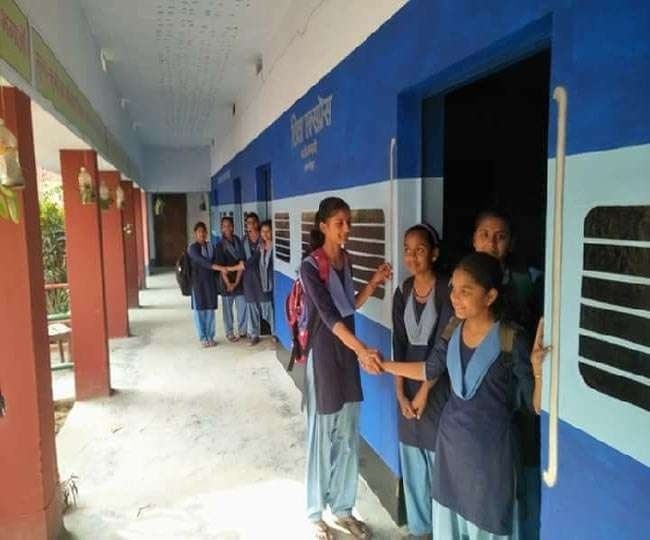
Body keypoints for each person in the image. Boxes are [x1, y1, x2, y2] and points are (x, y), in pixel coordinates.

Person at [379, 252, 547, 540]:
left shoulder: (511, 339)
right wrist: (383, 365)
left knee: (487, 526)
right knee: (449, 527)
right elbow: (429, 369)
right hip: (451, 449)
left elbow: (535, 407)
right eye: (453, 289)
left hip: (491, 458)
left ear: (490, 296)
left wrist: (538, 372)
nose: (455, 297)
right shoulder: (454, 328)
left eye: (465, 291)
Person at [301, 197, 391, 540]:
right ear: (323, 226)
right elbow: (329, 316)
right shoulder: (310, 266)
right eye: (339, 223)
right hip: (325, 356)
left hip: (347, 356)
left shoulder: (346, 260)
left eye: (348, 222)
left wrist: (374, 282)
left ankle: (342, 507)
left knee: (348, 434)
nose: (346, 229)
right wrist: (363, 350)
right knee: (321, 436)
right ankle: (315, 513)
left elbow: (348, 305)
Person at [472, 209, 542, 539]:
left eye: (500, 237)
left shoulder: (529, 281)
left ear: (511, 243)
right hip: (481, 396)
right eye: (485, 235)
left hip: (521, 389)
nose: (492, 243)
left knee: (524, 470)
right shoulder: (462, 283)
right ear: (474, 240)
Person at [392, 223, 453, 540]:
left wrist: (425, 392)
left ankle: (441, 531)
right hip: (408, 388)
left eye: (420, 250)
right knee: (412, 459)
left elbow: (442, 351)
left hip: (438, 389)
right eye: (407, 250)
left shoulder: (447, 291)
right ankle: (420, 530)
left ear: (434, 253)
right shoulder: (402, 291)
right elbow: (398, 344)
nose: (412, 257)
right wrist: (400, 394)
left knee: (437, 461)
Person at [186, 222, 219, 347]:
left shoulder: (210, 246)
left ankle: (210, 336)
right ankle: (203, 337)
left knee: (210, 309)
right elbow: (202, 261)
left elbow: (216, 259)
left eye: (204, 231)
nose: (202, 234)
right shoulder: (192, 248)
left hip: (210, 282)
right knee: (199, 310)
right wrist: (217, 267)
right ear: (195, 234)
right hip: (198, 284)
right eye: (199, 231)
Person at [215, 216, 247, 341]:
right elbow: (221, 268)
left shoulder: (238, 241)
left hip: (239, 279)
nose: (227, 228)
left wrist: (237, 282)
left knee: (242, 306)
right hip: (225, 281)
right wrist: (229, 284)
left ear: (233, 227)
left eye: (229, 225)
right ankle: (229, 332)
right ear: (221, 229)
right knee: (227, 310)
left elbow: (242, 263)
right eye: (224, 226)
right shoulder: (220, 245)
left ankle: (242, 330)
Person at [243, 219, 276, 342]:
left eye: (268, 231)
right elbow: (253, 261)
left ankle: (275, 333)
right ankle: (253, 334)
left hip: (271, 283)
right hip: (260, 281)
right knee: (253, 308)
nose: (265, 234)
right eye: (263, 231)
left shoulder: (276, 246)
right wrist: (240, 266)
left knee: (268, 309)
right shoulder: (260, 247)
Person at [242, 212, 263, 345]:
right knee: (251, 305)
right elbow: (240, 257)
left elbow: (257, 257)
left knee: (266, 305)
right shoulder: (244, 240)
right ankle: (254, 334)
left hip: (262, 276)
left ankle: (274, 333)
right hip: (248, 277)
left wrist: (243, 264)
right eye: (249, 223)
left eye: (253, 222)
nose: (251, 225)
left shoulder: (263, 237)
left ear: (257, 223)